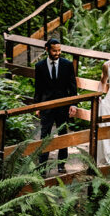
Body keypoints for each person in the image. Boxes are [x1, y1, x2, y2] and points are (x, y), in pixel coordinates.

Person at [33, 36, 78, 171]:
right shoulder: (39, 66)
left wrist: (73, 104)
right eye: (54, 51)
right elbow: (38, 88)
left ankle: (61, 165)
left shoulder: (67, 65)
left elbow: (72, 86)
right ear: (47, 49)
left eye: (59, 51)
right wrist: (37, 106)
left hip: (63, 106)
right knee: (44, 136)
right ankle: (42, 167)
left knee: (63, 135)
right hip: (46, 106)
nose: (57, 54)